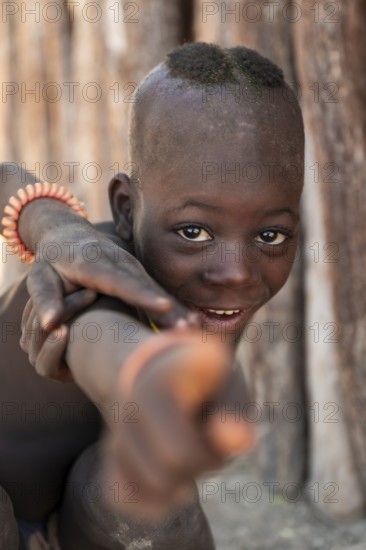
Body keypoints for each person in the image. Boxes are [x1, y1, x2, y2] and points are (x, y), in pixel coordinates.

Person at [0, 42, 304, 549]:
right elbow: (102, 339)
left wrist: (43, 218)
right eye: (193, 232)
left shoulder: (192, 303)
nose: (236, 273)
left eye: (270, 236)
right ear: (125, 209)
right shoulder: (96, 274)